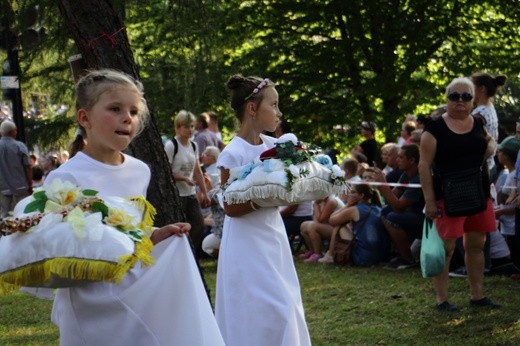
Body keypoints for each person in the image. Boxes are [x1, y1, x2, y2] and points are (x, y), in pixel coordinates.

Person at [47, 69, 224, 345]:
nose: (127, 118)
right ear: (85, 118)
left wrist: (156, 234)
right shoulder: (65, 177)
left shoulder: (139, 171)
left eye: (133, 111)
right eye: (115, 109)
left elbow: (134, 228)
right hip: (90, 298)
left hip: (134, 290)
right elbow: (59, 243)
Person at [215, 74, 311, 346]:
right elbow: (230, 206)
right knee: (264, 309)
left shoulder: (274, 147)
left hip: (272, 235)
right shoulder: (232, 154)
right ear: (252, 108)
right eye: (274, 105)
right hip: (247, 243)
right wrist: (265, 196)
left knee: (287, 303)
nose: (279, 113)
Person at [419, 77, 500, 311]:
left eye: (466, 96)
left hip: (478, 193)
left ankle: (478, 295)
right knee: (446, 249)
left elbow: (489, 141)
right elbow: (424, 166)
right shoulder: (434, 129)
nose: (460, 101)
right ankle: (442, 300)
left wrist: (491, 148)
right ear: (447, 99)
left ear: (473, 100)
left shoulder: (478, 122)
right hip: (447, 196)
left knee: (476, 245)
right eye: (455, 96)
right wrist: (430, 201)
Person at [164, 110, 210, 256]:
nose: (190, 130)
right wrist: (183, 178)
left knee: (198, 225)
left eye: (192, 126)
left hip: (190, 194)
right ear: (177, 127)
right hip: (176, 194)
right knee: (178, 228)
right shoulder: (172, 146)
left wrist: (204, 192)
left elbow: (197, 170)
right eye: (186, 127)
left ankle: (191, 254)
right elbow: (166, 172)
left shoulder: (194, 146)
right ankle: (178, 256)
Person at [373, 144, 425, 270]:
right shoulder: (406, 174)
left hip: (427, 220)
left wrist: (383, 185)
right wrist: (381, 186)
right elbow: (392, 197)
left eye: (401, 157)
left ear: (412, 160)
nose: (397, 160)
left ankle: (408, 259)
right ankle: (394, 253)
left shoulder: (419, 178)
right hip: (413, 215)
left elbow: (398, 207)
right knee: (385, 211)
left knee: (392, 217)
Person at [320, 184, 390, 265]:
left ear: (361, 195)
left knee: (339, 224)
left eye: (353, 192)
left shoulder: (354, 209)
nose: (349, 194)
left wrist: (347, 205)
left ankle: (330, 256)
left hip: (363, 258)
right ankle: (329, 254)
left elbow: (332, 220)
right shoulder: (377, 207)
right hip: (380, 256)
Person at [471, 72, 507, 183]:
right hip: (490, 165)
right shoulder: (489, 107)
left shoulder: (479, 114)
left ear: (481, 89)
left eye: (471, 86)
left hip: (480, 168)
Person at [0, 120, 32, 218]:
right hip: (21, 187)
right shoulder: (19, 146)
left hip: (2, 188)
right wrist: (30, 184)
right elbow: (28, 166)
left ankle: (4, 232)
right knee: (23, 213)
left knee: (4, 214)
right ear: (12, 132)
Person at [300, 195, 345, 262]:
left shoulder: (331, 201)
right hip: (328, 226)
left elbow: (321, 219)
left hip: (339, 230)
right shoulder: (322, 201)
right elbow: (316, 219)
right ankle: (312, 251)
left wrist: (316, 204)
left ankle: (317, 253)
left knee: (312, 226)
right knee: (304, 225)